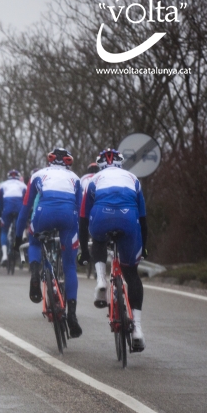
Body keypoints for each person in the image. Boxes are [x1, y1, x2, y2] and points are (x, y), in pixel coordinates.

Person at [78, 149, 147, 350]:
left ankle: (100, 280)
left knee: (98, 238)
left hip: (102, 216)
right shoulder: (133, 178)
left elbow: (83, 219)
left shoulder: (94, 179)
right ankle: (138, 329)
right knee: (132, 274)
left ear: (99, 165)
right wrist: (146, 246)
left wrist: (84, 249)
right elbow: (143, 220)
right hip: (128, 220)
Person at [14, 147, 83, 338]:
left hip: (44, 213)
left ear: (49, 161)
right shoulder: (76, 178)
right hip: (69, 217)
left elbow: (25, 208)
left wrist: (18, 238)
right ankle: (73, 315)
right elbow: (80, 210)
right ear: (69, 162)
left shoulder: (38, 174)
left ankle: (35, 274)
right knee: (69, 265)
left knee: (35, 241)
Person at [0, 169, 26, 265]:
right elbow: (26, 199)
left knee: (4, 231)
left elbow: (0, 200)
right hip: (19, 208)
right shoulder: (23, 185)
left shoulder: (3, 184)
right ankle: (20, 249)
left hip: (7, 209)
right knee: (20, 228)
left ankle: (4, 255)